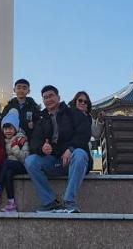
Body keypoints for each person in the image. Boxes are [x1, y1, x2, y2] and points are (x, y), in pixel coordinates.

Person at [25, 85, 91, 213]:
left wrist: (71, 148)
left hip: (72, 160)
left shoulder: (73, 112)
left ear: (58, 97)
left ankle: (69, 201)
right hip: (53, 161)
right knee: (30, 161)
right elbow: (34, 142)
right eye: (45, 97)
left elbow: (84, 133)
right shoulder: (41, 118)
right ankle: (49, 202)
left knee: (80, 153)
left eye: (51, 96)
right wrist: (42, 148)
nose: (48, 99)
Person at [71, 91, 100, 172]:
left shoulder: (89, 118)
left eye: (85, 102)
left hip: (83, 150)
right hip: (68, 149)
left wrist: (100, 121)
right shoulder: (68, 114)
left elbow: (96, 134)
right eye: (80, 100)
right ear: (75, 101)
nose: (83, 103)